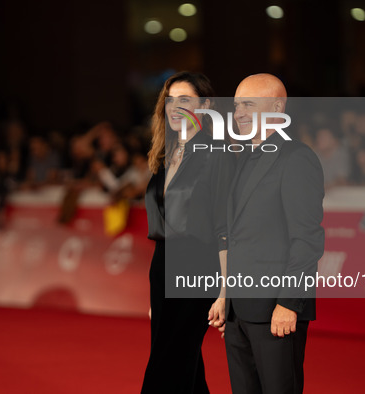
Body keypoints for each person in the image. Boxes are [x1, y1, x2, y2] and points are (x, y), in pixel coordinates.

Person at [211, 74, 325, 394]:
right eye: (236, 106)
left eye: (249, 104)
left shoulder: (297, 158)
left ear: (277, 107)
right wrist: (225, 297)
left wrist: (289, 302)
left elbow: (307, 239)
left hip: (276, 310)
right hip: (238, 312)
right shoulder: (244, 156)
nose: (239, 113)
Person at [141, 71, 234, 394]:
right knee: (184, 365)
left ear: (206, 105)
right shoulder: (164, 156)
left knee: (167, 366)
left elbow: (225, 224)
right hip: (164, 268)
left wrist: (225, 290)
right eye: (170, 100)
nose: (175, 107)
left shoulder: (216, 154)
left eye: (185, 100)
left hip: (199, 269)